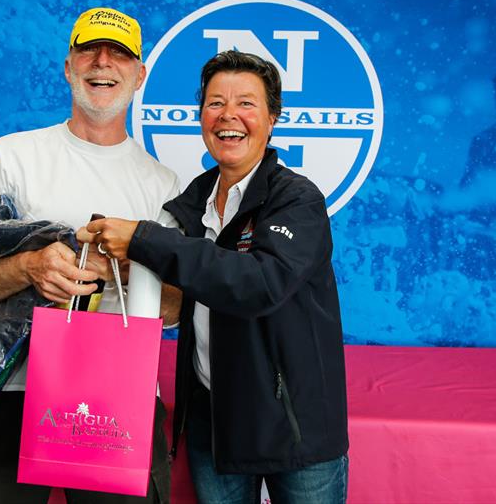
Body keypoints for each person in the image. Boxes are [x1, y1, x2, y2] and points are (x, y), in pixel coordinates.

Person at [78, 50, 349, 504]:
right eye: (215, 103)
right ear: (201, 115)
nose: (229, 116)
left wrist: (144, 241)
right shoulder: (193, 199)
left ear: (273, 117)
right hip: (213, 421)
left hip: (294, 425)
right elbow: (185, 284)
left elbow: (257, 284)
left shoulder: (297, 200)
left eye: (246, 103)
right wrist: (123, 264)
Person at [0, 7, 180, 504]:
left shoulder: (163, 185)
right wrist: (29, 267)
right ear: (68, 66)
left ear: (140, 75)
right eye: (89, 50)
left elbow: (174, 310)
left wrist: (127, 261)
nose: (103, 63)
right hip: (8, 387)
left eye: (120, 54)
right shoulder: (14, 154)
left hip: (119, 393)